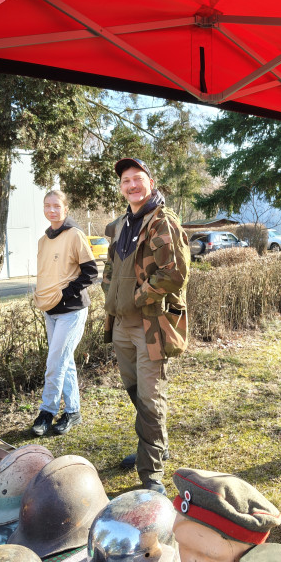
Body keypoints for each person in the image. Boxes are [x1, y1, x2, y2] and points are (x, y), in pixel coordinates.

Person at [102, 158, 190, 495]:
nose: (132, 185)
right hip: (121, 324)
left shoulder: (162, 221)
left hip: (150, 325)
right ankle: (153, 444)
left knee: (151, 398)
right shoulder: (121, 224)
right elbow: (110, 266)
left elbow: (175, 273)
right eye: (126, 181)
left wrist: (139, 296)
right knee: (136, 391)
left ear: (150, 182)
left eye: (138, 179)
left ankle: (151, 472)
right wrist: (110, 292)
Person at [32, 190, 97, 436]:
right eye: (47, 205)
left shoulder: (75, 235)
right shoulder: (43, 240)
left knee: (55, 361)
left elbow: (90, 272)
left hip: (71, 310)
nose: (52, 210)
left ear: (65, 209)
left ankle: (46, 411)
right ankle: (73, 412)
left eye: (56, 206)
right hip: (50, 310)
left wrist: (65, 294)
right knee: (64, 361)